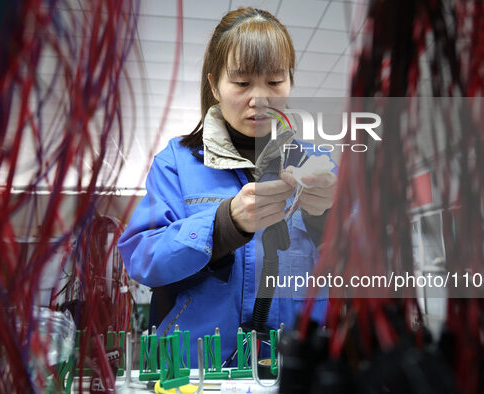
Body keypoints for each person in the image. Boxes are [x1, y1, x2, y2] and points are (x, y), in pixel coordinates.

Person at [117, 7, 336, 365]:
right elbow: (142, 259)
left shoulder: (320, 165)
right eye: (242, 82)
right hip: (197, 369)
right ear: (214, 85)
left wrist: (325, 218)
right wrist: (223, 225)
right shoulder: (176, 163)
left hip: (297, 366)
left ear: (290, 83)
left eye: (275, 81)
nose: (260, 98)